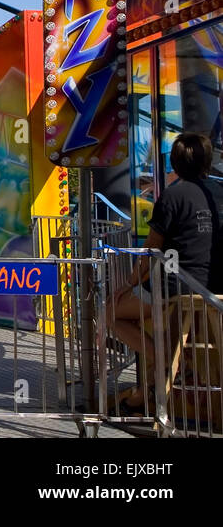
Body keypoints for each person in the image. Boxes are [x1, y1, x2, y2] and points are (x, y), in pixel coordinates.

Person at [108, 132, 223, 412]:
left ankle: (168, 363)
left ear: (175, 164)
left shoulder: (172, 197)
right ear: (207, 161)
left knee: (111, 313)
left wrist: (127, 284)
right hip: (214, 288)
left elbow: (150, 251)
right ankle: (161, 378)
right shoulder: (219, 192)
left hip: (178, 286)